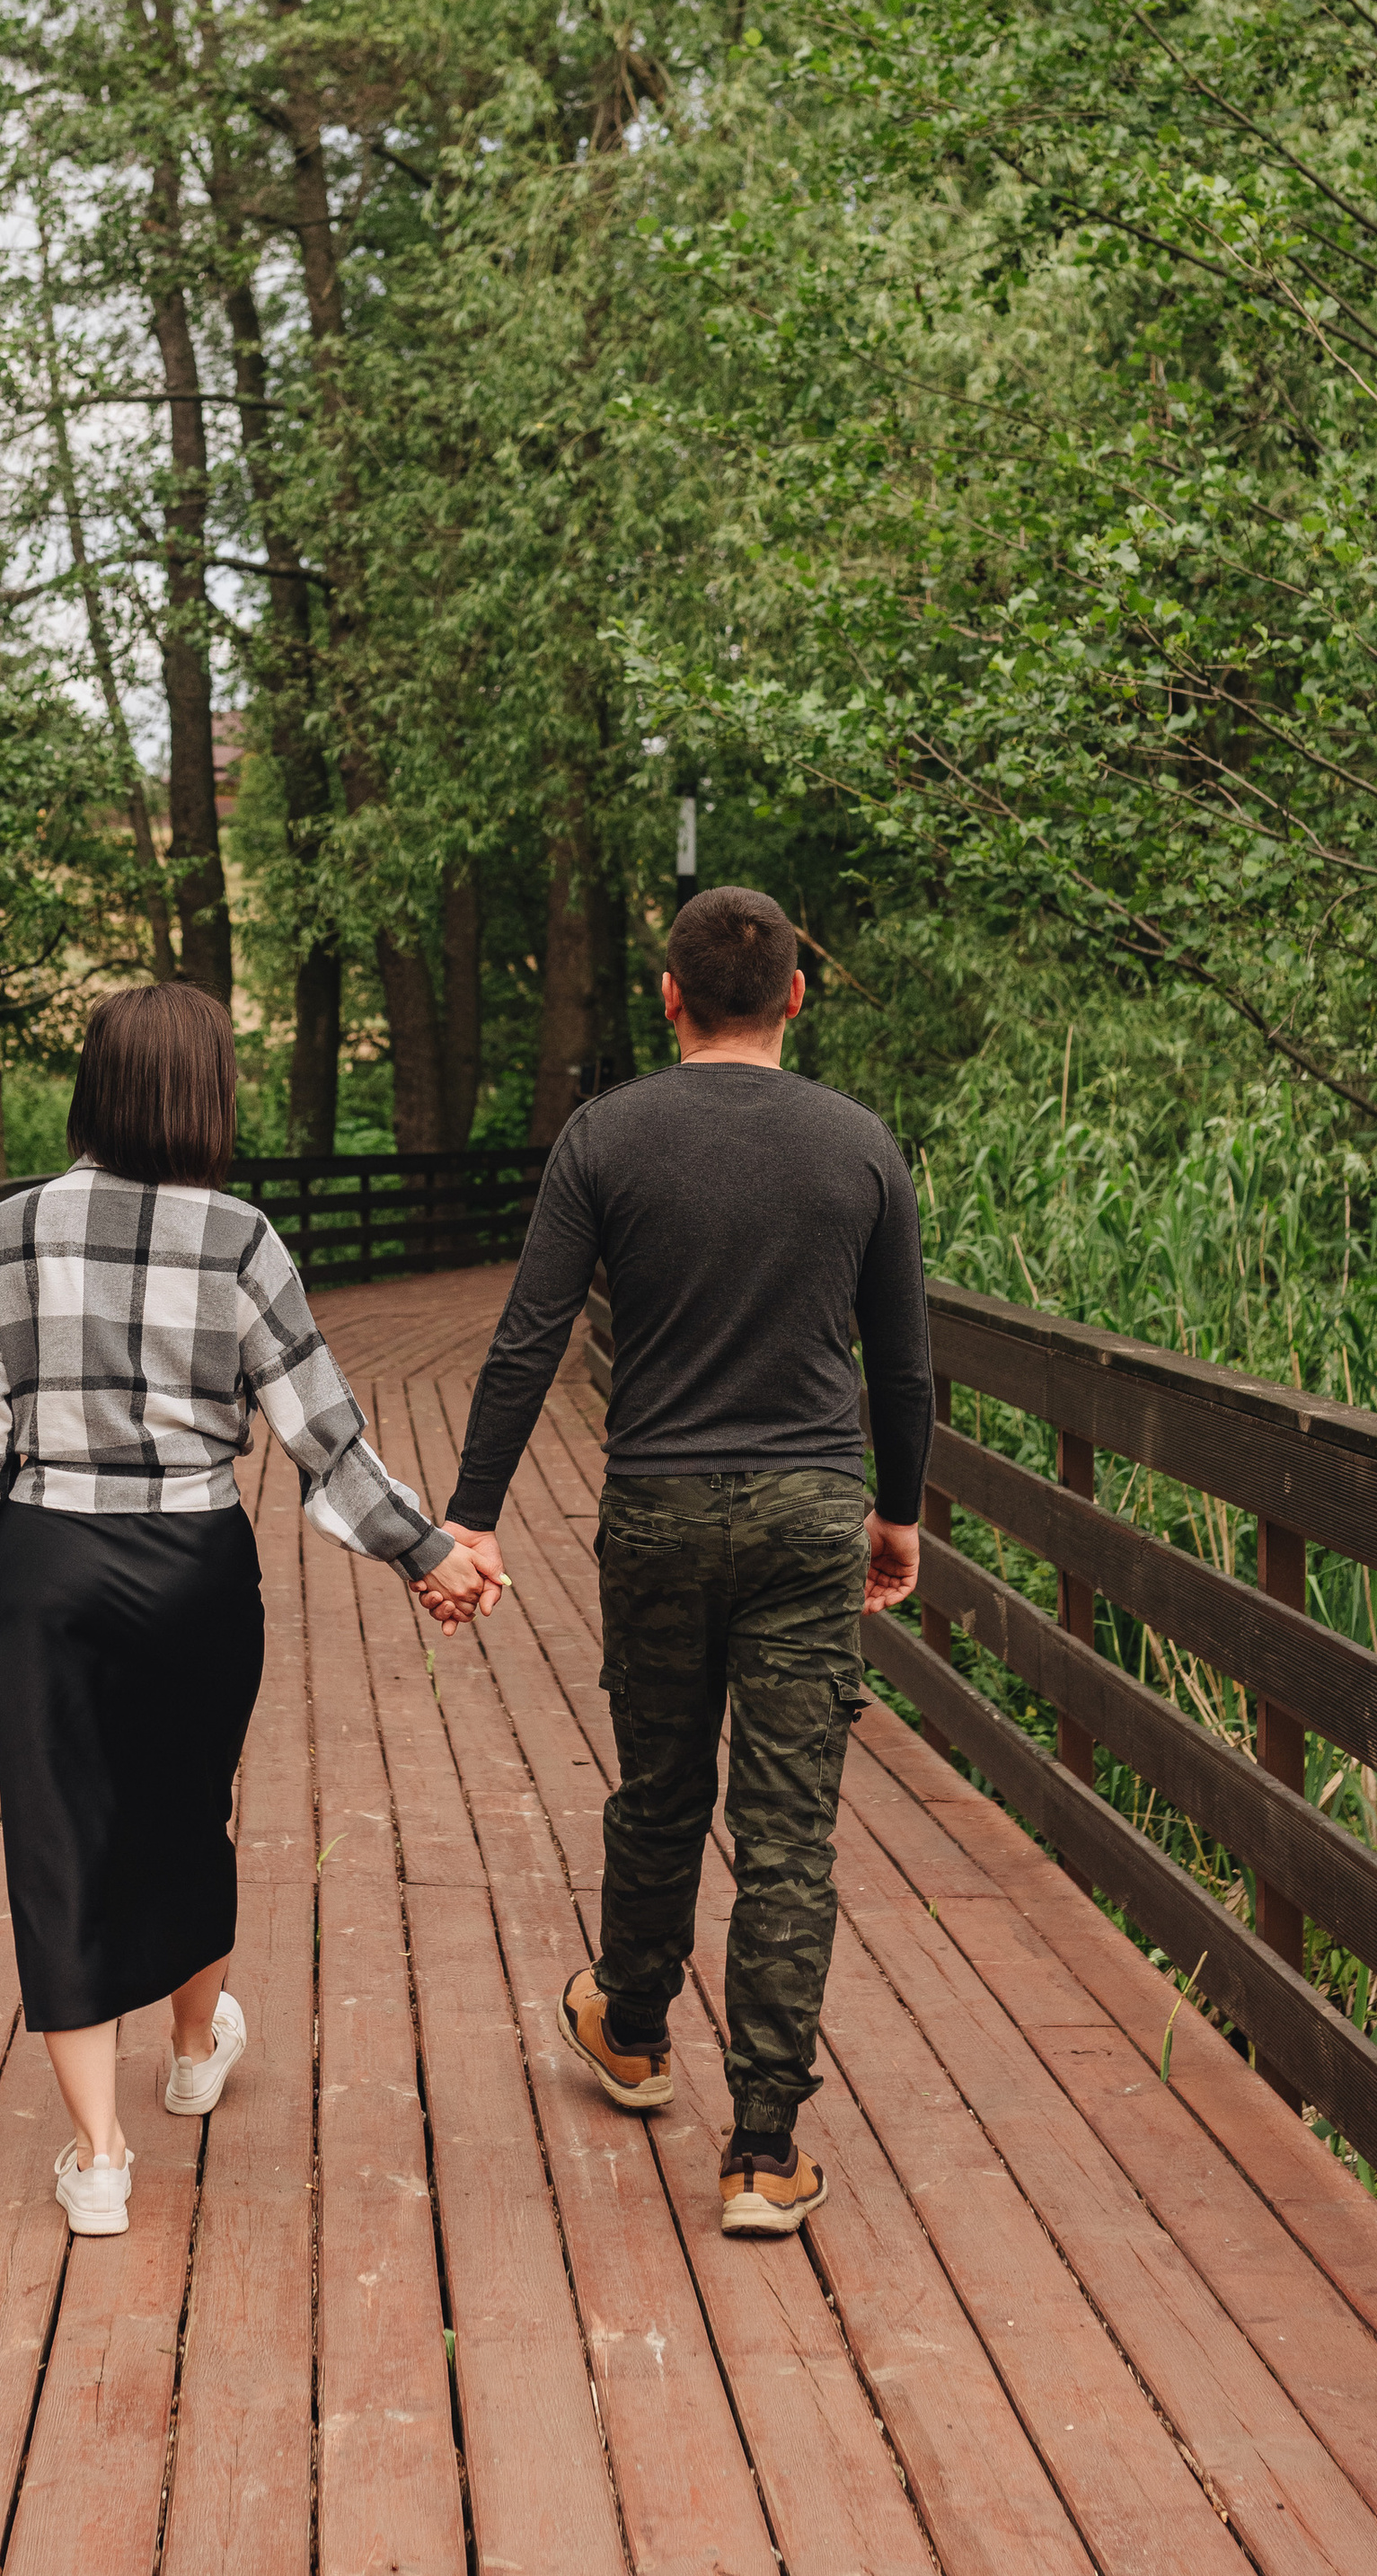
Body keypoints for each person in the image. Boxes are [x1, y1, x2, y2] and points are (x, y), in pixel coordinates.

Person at [0, 983, 498, 2236]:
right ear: (204, 1094)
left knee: (58, 1838)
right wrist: (427, 1552)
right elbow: (321, 1436)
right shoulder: (242, 1239)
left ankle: (100, 2159)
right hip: (191, 1563)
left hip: (45, 1561)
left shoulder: (9, 1232)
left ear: (94, 1087)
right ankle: (193, 2051)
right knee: (190, 1811)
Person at [438, 887, 931, 2240]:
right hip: (813, 1513)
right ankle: (763, 2149)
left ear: (669, 997)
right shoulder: (860, 1146)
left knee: (661, 1789)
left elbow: (530, 1335)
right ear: (795, 997)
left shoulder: (606, 1136)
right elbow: (901, 1363)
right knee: (788, 1833)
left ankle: (637, 2031)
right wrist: (897, 1513)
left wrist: (472, 1513)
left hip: (656, 1505)